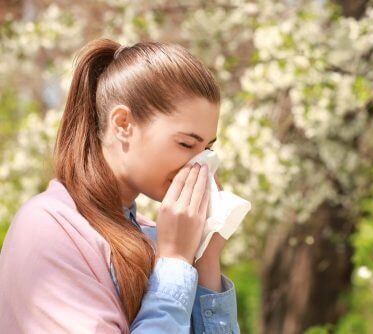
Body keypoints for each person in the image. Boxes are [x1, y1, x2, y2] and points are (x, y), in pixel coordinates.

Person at [0, 38, 240, 333]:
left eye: (206, 149)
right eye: (186, 144)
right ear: (123, 124)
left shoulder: (152, 235)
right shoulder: (50, 228)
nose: (199, 165)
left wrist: (204, 259)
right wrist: (175, 263)